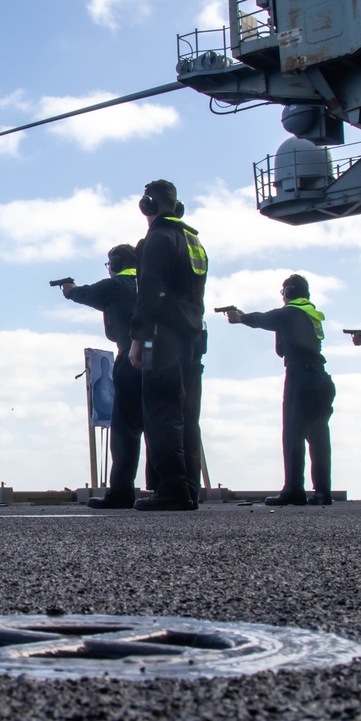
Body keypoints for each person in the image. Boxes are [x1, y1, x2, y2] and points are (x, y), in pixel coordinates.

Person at [128, 180, 207, 511]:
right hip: (192, 335)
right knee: (187, 415)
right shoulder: (194, 240)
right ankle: (188, 487)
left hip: (163, 336)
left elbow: (149, 292)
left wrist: (137, 337)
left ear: (148, 204)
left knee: (160, 412)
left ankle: (172, 489)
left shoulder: (157, 239)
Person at [223, 274, 336, 505]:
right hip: (321, 378)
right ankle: (323, 492)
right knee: (319, 437)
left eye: (283, 292)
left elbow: (264, 319)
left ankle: (293, 490)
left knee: (293, 434)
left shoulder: (290, 312)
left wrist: (240, 318)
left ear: (289, 292)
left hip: (300, 377)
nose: (282, 297)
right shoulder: (311, 314)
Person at [61, 244, 146, 509]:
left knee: (124, 430)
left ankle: (121, 492)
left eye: (110, 264)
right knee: (160, 425)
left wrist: (69, 290)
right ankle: (170, 487)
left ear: (116, 263)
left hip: (130, 357)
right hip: (162, 360)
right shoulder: (148, 285)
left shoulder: (116, 285)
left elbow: (86, 294)